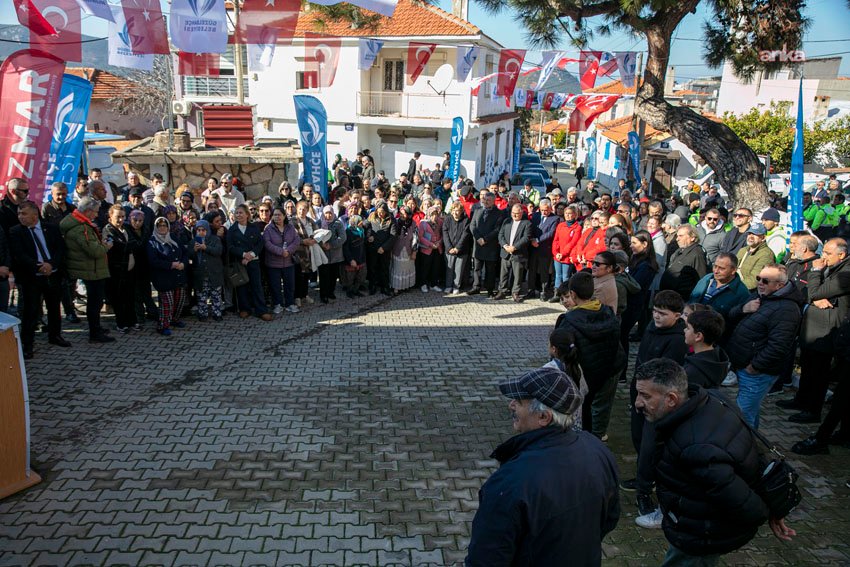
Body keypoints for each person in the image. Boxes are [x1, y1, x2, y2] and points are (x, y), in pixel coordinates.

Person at [634, 358, 796, 566]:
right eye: (638, 393)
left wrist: (765, 514)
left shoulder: (695, 447)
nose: (638, 403)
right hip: (695, 527)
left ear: (672, 399)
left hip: (701, 536)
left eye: (645, 396)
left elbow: (738, 498)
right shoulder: (711, 398)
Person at [465, 367, 620, 566]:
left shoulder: (510, 482)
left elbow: (485, 559)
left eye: (519, 402)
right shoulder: (597, 449)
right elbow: (610, 517)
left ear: (544, 417)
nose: (511, 405)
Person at [625, 290, 687, 526]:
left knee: (651, 447)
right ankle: (643, 476)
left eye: (662, 314)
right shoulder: (651, 328)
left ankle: (645, 491)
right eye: (654, 312)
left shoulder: (677, 339)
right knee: (638, 439)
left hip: (657, 402)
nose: (657, 317)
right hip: (639, 394)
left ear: (677, 315)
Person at [725, 264, 803, 428]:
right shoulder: (760, 296)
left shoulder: (786, 309)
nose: (760, 283)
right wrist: (743, 309)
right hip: (745, 365)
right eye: (758, 278)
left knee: (741, 415)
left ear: (779, 286)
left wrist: (755, 366)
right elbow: (731, 316)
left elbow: (779, 346)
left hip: (758, 372)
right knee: (749, 412)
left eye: (765, 281)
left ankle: (745, 448)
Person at [782, 238, 850, 423]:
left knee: (819, 372)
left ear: (841, 255)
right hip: (815, 326)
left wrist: (815, 272)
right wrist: (816, 296)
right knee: (808, 366)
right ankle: (802, 400)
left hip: (827, 329)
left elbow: (814, 292)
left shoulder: (845, 273)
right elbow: (814, 294)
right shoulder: (837, 267)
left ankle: (813, 410)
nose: (824, 257)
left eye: (828, 253)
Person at [556, 272, 626, 438]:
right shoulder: (608, 312)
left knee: (585, 410)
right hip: (611, 368)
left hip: (586, 375)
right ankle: (598, 439)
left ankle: (587, 442)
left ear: (573, 294)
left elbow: (564, 354)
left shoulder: (568, 321)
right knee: (601, 408)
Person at [8, 201, 70, 358]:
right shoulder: (16, 231)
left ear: (35, 215)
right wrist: (38, 266)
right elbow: (19, 254)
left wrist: (51, 264)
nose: (20, 217)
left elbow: (60, 249)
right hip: (32, 277)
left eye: (24, 214)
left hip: (52, 274)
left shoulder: (51, 228)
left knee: (54, 307)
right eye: (19, 214)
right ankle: (27, 343)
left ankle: (55, 335)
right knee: (31, 311)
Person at [59, 197, 115, 344]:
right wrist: (106, 246)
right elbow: (94, 251)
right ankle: (94, 333)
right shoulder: (80, 228)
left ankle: (96, 327)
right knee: (94, 302)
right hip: (90, 269)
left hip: (92, 268)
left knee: (95, 301)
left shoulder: (81, 224)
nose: (96, 215)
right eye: (95, 212)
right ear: (88, 211)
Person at [228, 204, 273, 321]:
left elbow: (260, 243)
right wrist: (243, 254)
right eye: (236, 213)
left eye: (240, 212)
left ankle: (261, 310)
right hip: (240, 262)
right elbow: (230, 247)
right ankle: (245, 309)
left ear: (247, 214)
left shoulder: (254, 228)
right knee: (242, 285)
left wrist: (251, 254)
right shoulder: (232, 230)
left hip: (253, 261)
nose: (238, 215)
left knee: (257, 285)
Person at [147, 217, 189, 335]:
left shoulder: (173, 238)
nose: (162, 228)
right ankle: (162, 325)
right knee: (167, 302)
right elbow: (153, 261)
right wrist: (170, 265)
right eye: (159, 226)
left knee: (179, 300)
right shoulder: (152, 242)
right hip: (163, 277)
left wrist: (183, 263)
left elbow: (185, 253)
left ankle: (174, 320)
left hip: (178, 275)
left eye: (164, 226)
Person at [102, 205, 137, 333]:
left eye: (123, 217)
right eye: (118, 217)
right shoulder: (108, 230)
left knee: (129, 296)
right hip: (115, 268)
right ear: (110, 217)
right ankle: (121, 323)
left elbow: (134, 243)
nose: (120, 220)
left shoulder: (126, 229)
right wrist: (126, 247)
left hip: (128, 268)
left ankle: (131, 321)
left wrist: (127, 247)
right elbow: (117, 246)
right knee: (118, 297)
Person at [687, 252, 751, 319]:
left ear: (733, 270)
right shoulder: (706, 279)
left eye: (721, 268)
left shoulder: (742, 293)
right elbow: (691, 300)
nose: (716, 271)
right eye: (715, 266)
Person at [263, 207, 301, 314]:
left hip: (288, 262)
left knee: (290, 285)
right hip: (273, 263)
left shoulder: (290, 227)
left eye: (279, 214)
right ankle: (277, 304)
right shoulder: (268, 229)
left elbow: (296, 240)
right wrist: (280, 251)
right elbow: (267, 243)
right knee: (275, 286)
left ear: (284, 216)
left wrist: (288, 251)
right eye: (275, 215)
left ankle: (290, 304)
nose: (277, 217)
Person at [683, 308, 729, 389]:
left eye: (688, 328)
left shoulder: (692, 373)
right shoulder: (718, 357)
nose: (684, 330)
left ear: (698, 336)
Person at [469, 192, 504, 297]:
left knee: (490, 270)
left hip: (490, 245)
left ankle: (489, 289)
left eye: (488, 200)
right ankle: (476, 287)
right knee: (477, 268)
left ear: (493, 201)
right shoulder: (477, 211)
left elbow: (497, 229)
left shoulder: (499, 213)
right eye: (484, 199)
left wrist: (485, 239)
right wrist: (478, 238)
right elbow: (472, 225)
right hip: (478, 244)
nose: (486, 202)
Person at [660, 224, 708, 301]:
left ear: (692, 237)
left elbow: (701, 279)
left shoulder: (697, 254)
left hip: (682, 299)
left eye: (681, 236)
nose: (677, 239)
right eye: (677, 236)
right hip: (669, 296)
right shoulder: (679, 250)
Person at [495, 204, 531, 302]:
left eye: (517, 213)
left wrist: (514, 247)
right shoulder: (507, 221)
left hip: (518, 253)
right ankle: (502, 291)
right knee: (503, 274)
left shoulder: (526, 223)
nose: (515, 215)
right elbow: (500, 235)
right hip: (505, 252)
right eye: (513, 213)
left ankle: (515, 293)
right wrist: (504, 246)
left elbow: (526, 238)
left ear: (521, 213)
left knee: (517, 275)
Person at [191, 219, 225, 321]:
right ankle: (203, 313)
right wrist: (194, 250)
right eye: (199, 230)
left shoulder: (215, 239)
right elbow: (189, 255)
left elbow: (218, 251)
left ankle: (217, 313)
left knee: (216, 295)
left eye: (203, 230)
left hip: (214, 273)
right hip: (201, 274)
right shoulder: (193, 241)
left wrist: (206, 248)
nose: (201, 232)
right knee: (201, 295)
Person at [528, 198, 559, 301]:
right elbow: (531, 228)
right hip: (533, 247)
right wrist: (532, 239)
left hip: (544, 248)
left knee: (544, 271)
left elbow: (551, 233)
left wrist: (537, 240)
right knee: (532, 270)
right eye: (542, 210)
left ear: (550, 208)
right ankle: (531, 290)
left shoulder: (555, 218)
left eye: (546, 210)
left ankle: (544, 291)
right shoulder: (536, 216)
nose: (544, 212)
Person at [366, 202, 397, 296]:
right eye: (378, 212)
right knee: (372, 268)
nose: (380, 214)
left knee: (384, 269)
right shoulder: (372, 217)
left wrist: (384, 247)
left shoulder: (391, 220)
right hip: (373, 248)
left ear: (386, 211)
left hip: (384, 249)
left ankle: (385, 287)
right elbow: (366, 227)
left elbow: (393, 236)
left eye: (382, 212)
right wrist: (368, 236)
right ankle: (373, 286)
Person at [551, 205, 582, 299]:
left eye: (570, 214)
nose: (568, 216)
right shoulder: (561, 225)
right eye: (566, 214)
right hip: (558, 256)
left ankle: (565, 295)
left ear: (575, 215)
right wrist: (556, 253)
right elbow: (555, 240)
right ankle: (556, 294)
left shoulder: (577, 227)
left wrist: (563, 253)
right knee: (557, 275)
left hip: (567, 256)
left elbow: (573, 243)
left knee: (565, 276)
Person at [318, 205, 346, 303]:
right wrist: (322, 244)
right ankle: (323, 295)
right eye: (326, 213)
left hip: (335, 255)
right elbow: (314, 236)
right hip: (323, 254)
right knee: (324, 275)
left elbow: (342, 237)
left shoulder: (338, 223)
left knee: (333, 275)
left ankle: (331, 292)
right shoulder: (319, 223)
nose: (328, 215)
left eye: (330, 213)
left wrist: (331, 245)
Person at [442, 201, 471, 295]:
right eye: (454, 210)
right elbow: (445, 233)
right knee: (449, 268)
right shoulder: (447, 219)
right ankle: (448, 286)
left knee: (459, 269)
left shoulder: (466, 220)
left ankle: (456, 286)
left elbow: (465, 235)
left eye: (458, 210)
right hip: (449, 249)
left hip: (462, 250)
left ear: (461, 211)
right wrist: (449, 247)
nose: (455, 213)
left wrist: (458, 248)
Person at [737, 223, 775, 290]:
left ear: (763, 238)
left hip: (748, 292)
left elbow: (755, 280)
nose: (751, 236)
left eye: (755, 234)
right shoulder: (743, 250)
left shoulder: (766, 255)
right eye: (749, 234)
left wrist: (735, 288)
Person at [417, 205, 443, 292]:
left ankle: (434, 284)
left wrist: (439, 242)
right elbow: (420, 237)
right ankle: (423, 284)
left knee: (435, 266)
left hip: (437, 248)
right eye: (432, 214)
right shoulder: (423, 223)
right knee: (425, 267)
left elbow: (442, 234)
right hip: (426, 249)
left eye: (435, 214)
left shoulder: (440, 222)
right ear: (428, 214)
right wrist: (431, 244)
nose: (434, 216)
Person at [341, 215, 367, 298]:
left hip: (361, 258)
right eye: (359, 223)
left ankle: (356, 290)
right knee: (350, 278)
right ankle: (349, 292)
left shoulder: (361, 230)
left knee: (360, 276)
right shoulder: (348, 232)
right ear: (354, 223)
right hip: (352, 259)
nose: (361, 225)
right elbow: (345, 248)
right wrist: (351, 259)